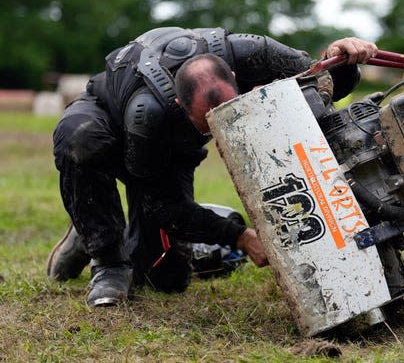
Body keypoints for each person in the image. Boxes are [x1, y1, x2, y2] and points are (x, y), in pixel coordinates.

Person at [46, 26, 378, 307]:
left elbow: (319, 84)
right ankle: (104, 251)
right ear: (180, 105)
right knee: (81, 140)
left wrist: (343, 57)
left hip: (171, 150)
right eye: (208, 122)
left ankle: (89, 224)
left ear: (234, 76)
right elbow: (164, 205)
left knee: (164, 278)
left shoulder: (253, 53)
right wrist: (241, 237)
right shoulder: (149, 112)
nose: (218, 131)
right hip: (111, 122)